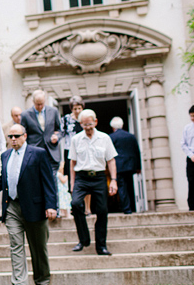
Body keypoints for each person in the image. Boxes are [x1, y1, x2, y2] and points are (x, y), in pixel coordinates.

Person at [0, 124, 57, 285]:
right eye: (10, 136)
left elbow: (48, 181)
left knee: (38, 247)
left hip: (35, 207)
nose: (13, 139)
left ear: (25, 136)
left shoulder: (38, 153)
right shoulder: (5, 156)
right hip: (11, 206)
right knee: (15, 245)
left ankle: (43, 281)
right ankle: (20, 284)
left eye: (16, 136)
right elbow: (2, 180)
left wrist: (51, 206)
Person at [69, 109, 118, 256]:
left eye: (90, 124)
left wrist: (114, 180)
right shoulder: (76, 139)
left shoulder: (104, 138)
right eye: (84, 125)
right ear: (81, 124)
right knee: (76, 204)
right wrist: (72, 184)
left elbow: (111, 160)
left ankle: (101, 246)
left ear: (95, 122)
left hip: (98, 177)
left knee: (102, 211)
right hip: (82, 178)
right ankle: (83, 239)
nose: (88, 128)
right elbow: (72, 162)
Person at [21, 90, 61, 180]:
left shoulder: (53, 111)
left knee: (52, 180)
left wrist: (57, 137)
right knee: (36, 180)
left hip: (51, 152)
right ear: (33, 101)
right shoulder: (25, 115)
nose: (40, 107)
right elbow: (23, 135)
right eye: (37, 104)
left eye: (42, 104)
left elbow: (59, 130)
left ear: (45, 101)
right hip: (34, 152)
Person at [110, 117, 142, 214]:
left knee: (122, 187)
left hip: (119, 166)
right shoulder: (131, 136)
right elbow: (137, 152)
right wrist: (138, 166)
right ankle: (133, 206)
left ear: (112, 127)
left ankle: (126, 209)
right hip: (130, 165)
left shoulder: (111, 137)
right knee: (130, 185)